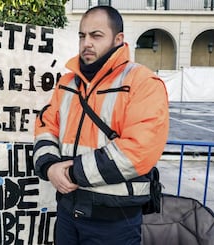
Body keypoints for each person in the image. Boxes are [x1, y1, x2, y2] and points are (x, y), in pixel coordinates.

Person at [33, 5, 169, 245]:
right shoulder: (67, 82)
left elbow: (138, 151)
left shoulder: (143, 82)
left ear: (118, 39)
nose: (87, 43)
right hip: (67, 212)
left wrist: (71, 172)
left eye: (96, 36)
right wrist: (49, 167)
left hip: (115, 222)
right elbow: (46, 126)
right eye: (82, 35)